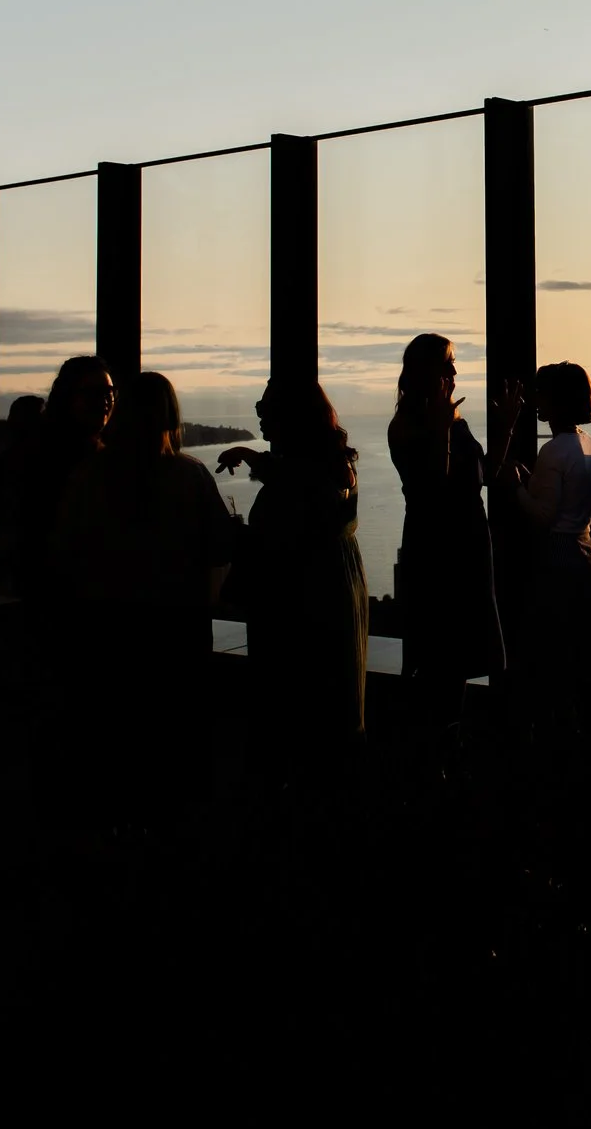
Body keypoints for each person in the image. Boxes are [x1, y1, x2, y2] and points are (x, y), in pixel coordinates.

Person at [46, 372, 236, 827]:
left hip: (105, 629)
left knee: (115, 751)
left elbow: (64, 552)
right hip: (176, 631)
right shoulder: (190, 478)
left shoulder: (88, 476)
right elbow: (221, 551)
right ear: (171, 415)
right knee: (174, 752)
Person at [218, 379, 368, 791]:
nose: (259, 411)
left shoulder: (299, 482)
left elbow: (281, 543)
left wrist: (235, 535)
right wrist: (252, 456)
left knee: (295, 731)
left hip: (298, 619)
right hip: (333, 608)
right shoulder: (335, 468)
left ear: (291, 418)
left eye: (267, 405)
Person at [386, 335, 504, 753]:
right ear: (425, 372)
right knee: (439, 660)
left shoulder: (453, 421)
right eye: (447, 365)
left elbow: (485, 475)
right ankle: (430, 760)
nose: (454, 373)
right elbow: (434, 485)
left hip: (470, 548)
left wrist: (505, 425)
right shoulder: (407, 427)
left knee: (459, 663)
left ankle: (447, 752)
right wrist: (441, 429)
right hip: (437, 554)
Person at [494, 362, 591, 732]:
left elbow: (542, 517)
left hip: (557, 559)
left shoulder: (554, 450)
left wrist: (514, 484)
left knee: (555, 654)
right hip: (586, 552)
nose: (535, 400)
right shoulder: (586, 443)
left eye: (541, 393)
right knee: (587, 648)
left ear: (556, 400)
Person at [0, 359, 113, 605]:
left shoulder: (106, 459)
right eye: (93, 393)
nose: (105, 400)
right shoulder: (38, 459)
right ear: (67, 397)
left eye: (109, 393)